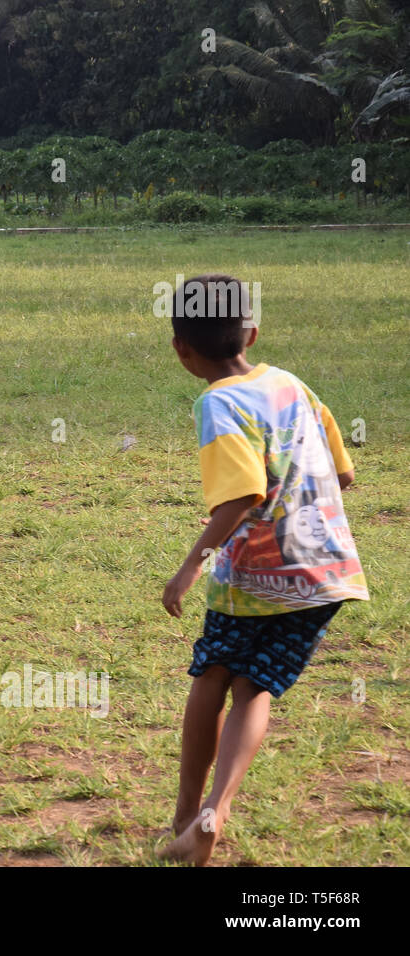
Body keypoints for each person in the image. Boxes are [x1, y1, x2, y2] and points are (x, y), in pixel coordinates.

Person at [158, 273, 369, 866]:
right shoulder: (290, 384)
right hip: (326, 573)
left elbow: (240, 496)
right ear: (253, 331)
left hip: (256, 578)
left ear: (180, 348)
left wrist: (188, 569)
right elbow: (343, 473)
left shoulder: (217, 403)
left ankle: (184, 816)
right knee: (254, 689)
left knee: (213, 674)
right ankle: (213, 816)